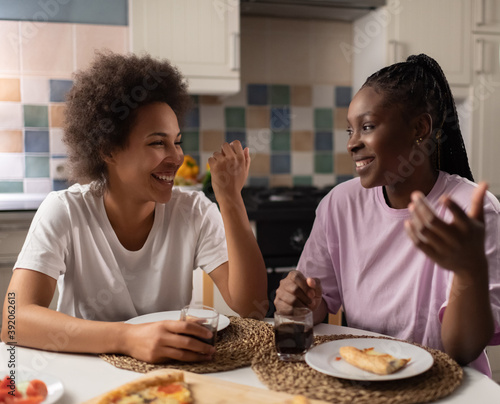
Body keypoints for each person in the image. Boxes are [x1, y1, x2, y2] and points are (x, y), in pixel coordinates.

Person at [0, 52, 268, 363]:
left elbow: (253, 307)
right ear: (109, 151)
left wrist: (231, 199)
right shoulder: (65, 211)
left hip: (170, 374)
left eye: (177, 141)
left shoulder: (193, 211)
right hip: (83, 370)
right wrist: (127, 338)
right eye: (158, 143)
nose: (177, 157)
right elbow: (14, 321)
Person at [274, 54, 500, 376]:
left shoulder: (471, 212)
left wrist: (469, 271)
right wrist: (302, 304)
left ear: (420, 128)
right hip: (366, 378)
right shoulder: (339, 204)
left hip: (449, 385)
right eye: (349, 130)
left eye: (367, 127)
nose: (352, 143)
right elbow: (317, 306)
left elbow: (461, 352)